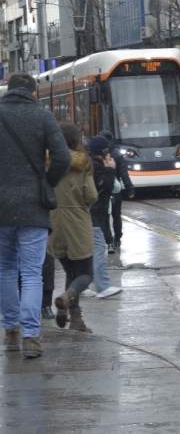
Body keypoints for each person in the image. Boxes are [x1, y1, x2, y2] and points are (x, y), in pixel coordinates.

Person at [0, 72, 71, 358]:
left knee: (5, 269)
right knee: (31, 272)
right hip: (33, 206)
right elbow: (63, 157)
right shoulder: (42, 117)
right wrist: (46, 183)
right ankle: (31, 336)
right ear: (33, 91)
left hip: (1, 208)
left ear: (9, 90)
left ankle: (11, 331)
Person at [49, 123, 98, 333]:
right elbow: (91, 196)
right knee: (86, 274)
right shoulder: (83, 163)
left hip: (55, 222)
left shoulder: (47, 162)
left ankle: (74, 319)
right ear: (76, 140)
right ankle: (66, 299)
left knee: (70, 270)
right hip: (77, 223)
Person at [87, 136, 123, 299]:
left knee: (85, 251)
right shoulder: (95, 165)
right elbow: (106, 185)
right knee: (98, 247)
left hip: (92, 213)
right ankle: (102, 286)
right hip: (94, 213)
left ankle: (78, 285)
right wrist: (110, 169)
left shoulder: (89, 162)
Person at [99, 130, 135, 253]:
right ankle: (117, 239)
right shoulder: (117, 154)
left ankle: (109, 242)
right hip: (116, 190)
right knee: (116, 216)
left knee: (105, 217)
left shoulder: (99, 154)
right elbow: (124, 174)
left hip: (103, 190)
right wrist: (130, 189)